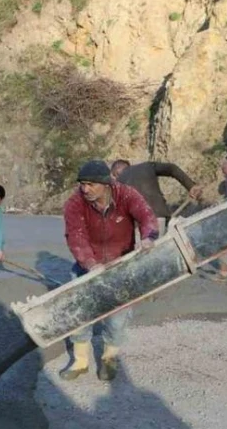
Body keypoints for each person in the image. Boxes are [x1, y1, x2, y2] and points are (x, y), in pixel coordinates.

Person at [62, 160, 159, 381]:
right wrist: (91, 264)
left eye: (90, 184)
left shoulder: (126, 195)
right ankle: (80, 361)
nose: (85, 189)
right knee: (80, 313)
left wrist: (148, 237)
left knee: (117, 317)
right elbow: (76, 237)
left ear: (106, 183)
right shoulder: (75, 203)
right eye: (82, 184)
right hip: (88, 267)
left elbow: (146, 217)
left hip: (121, 265)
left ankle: (109, 359)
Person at [111, 159, 202, 233]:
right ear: (129, 165)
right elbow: (171, 168)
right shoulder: (146, 166)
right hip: (159, 215)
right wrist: (191, 186)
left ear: (115, 174)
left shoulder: (117, 185)